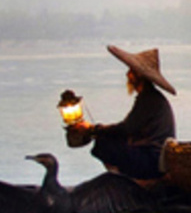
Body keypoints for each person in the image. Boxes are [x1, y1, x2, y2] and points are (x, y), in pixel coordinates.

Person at [66, 45, 177, 180]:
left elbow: (127, 128)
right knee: (109, 138)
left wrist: (93, 129)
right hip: (152, 156)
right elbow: (129, 129)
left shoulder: (149, 99)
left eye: (131, 71)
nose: (127, 75)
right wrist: (97, 130)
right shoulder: (149, 97)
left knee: (103, 143)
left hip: (152, 160)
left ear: (138, 75)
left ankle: (129, 181)